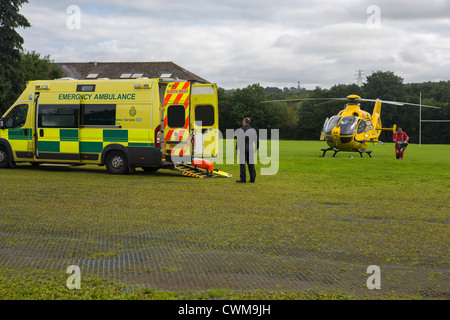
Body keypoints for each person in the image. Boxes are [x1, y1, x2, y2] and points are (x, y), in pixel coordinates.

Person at [235, 117, 259, 183]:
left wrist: (236, 148)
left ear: (244, 122)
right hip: (251, 149)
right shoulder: (253, 130)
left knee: (242, 164)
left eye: (243, 122)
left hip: (243, 149)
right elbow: (256, 140)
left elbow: (239, 140)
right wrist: (256, 148)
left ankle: (243, 179)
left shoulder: (241, 130)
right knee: (251, 164)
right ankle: (252, 179)